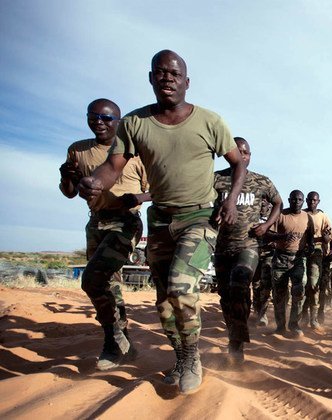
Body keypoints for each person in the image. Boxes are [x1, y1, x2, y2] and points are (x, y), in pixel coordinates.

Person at [77, 50, 246, 395]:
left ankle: (193, 357)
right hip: (160, 223)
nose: (167, 78)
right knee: (164, 302)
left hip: (198, 216)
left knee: (181, 288)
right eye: (160, 72)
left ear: (187, 82)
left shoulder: (210, 121)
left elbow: (238, 163)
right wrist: (94, 182)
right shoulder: (135, 124)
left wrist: (229, 200)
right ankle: (182, 355)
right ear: (151, 78)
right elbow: (113, 168)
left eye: (174, 73)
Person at [60, 98, 149, 371]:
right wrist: (66, 175)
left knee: (93, 278)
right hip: (96, 224)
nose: (99, 121)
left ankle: (112, 340)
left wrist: (134, 197)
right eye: (93, 116)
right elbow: (71, 192)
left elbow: (157, 190)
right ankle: (122, 343)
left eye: (107, 117)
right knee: (107, 283)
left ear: (118, 122)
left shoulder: (134, 152)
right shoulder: (78, 150)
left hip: (126, 222)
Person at [212, 137, 281, 363]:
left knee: (240, 283)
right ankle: (235, 332)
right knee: (225, 296)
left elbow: (278, 203)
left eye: (247, 152)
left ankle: (237, 343)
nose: (242, 155)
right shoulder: (216, 180)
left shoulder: (261, 181)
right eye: (238, 151)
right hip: (222, 247)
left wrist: (266, 225)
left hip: (248, 245)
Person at [268, 190, 314, 338]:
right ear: (289, 200)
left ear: (303, 201)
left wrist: (310, 248)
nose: (297, 202)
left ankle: (294, 324)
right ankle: (280, 326)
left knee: (299, 291)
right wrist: (283, 236)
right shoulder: (280, 215)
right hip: (280, 257)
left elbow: (310, 237)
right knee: (279, 294)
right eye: (294, 199)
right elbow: (268, 234)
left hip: (298, 259)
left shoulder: (307, 217)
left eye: (300, 200)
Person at [301, 191, 332, 329]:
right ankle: (302, 315)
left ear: (318, 201)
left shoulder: (323, 216)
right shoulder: (301, 214)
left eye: (314, 200)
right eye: (309, 200)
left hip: (317, 252)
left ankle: (313, 318)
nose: (312, 202)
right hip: (301, 252)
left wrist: (324, 240)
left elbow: (329, 235)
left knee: (314, 285)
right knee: (302, 284)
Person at [253, 198, 276, 327]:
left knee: (266, 285)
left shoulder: (274, 217)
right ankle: (257, 308)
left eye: (264, 203)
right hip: (254, 253)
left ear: (269, 204)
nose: (262, 205)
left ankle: (263, 314)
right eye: (260, 203)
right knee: (255, 284)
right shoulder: (252, 214)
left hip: (268, 254)